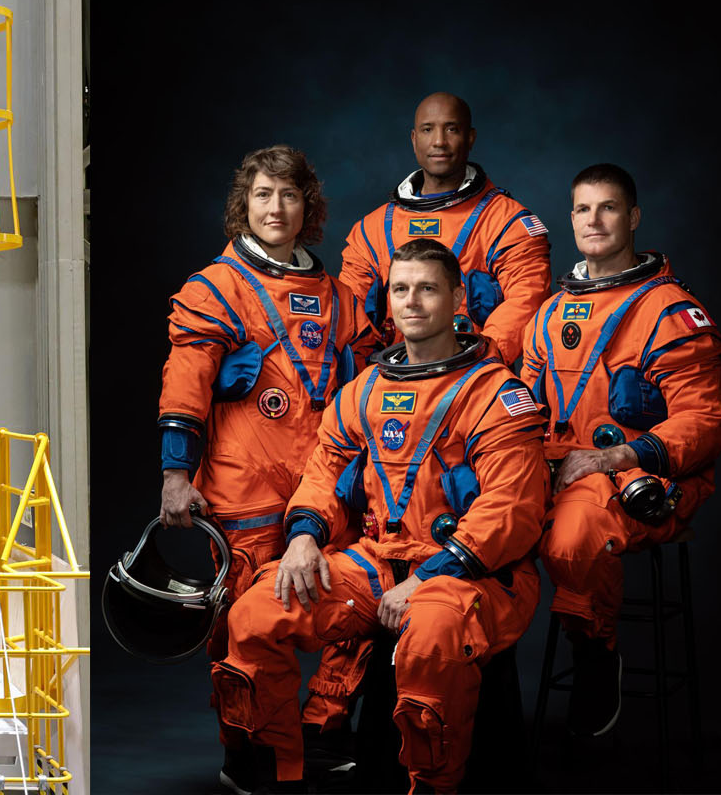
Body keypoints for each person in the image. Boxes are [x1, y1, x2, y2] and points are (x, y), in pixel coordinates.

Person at [214, 239, 548, 794]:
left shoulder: (494, 394)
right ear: (387, 298)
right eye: (400, 289)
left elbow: (510, 511)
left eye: (427, 288)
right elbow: (323, 473)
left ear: (458, 296)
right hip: (376, 566)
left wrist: (426, 578)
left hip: (475, 575)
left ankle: (430, 786)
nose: (411, 301)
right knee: (253, 614)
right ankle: (283, 775)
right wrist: (302, 537)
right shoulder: (365, 388)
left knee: (431, 639)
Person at [155, 145, 379, 791]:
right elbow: (186, 383)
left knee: (356, 606)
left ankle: (322, 724)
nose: (275, 208)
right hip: (242, 493)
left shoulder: (338, 297)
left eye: (287, 195)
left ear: (308, 204)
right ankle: (252, 752)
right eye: (261, 195)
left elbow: (366, 388)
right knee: (239, 633)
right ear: (242, 205)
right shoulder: (215, 289)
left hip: (325, 491)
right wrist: (176, 473)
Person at [525, 164, 721, 736]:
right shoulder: (550, 312)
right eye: (583, 209)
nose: (594, 220)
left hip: (645, 476)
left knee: (572, 537)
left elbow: (705, 421)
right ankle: (477, 703)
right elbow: (529, 409)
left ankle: (596, 649)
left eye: (608, 207)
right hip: (562, 469)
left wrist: (618, 458)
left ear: (633, 217)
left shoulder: (668, 310)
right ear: (570, 219)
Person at [338, 92, 551, 364]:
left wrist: (475, 366)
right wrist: (371, 378)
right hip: (389, 382)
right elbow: (348, 314)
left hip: (472, 380)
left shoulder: (506, 222)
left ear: (470, 138)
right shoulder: (373, 230)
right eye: (428, 130)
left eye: (451, 129)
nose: (439, 141)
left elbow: (526, 301)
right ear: (414, 140)